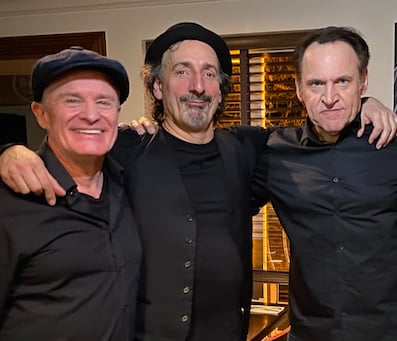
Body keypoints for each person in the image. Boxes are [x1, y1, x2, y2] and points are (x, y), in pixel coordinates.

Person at [0, 23, 396, 341]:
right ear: (157, 86)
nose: (197, 85)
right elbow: (71, 144)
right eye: (182, 72)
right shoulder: (125, 148)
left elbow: (326, 119)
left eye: (209, 74)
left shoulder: (253, 147)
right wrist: (8, 150)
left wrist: (367, 105)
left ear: (221, 91)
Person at [248, 26, 397, 340]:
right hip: (309, 332)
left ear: (363, 81)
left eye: (342, 81)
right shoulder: (275, 152)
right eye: (316, 83)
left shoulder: (391, 144)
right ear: (299, 89)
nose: (330, 98)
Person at [0, 47, 142, 340]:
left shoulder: (130, 182)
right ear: (41, 114)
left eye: (104, 102)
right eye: (72, 100)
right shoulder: (9, 201)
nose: (91, 115)